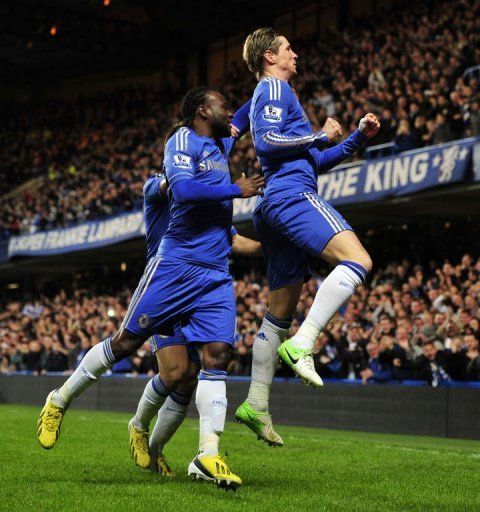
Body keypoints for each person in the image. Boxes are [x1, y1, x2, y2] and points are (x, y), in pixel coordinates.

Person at [37, 87, 264, 490]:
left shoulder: (219, 145)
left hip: (213, 274)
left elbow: (244, 116)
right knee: (125, 345)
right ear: (200, 111)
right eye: (220, 105)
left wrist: (266, 81)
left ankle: (209, 453)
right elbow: (183, 190)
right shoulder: (182, 141)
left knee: (216, 356)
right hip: (174, 268)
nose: (228, 111)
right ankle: (59, 399)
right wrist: (237, 190)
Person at [235, 27, 380, 445]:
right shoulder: (276, 90)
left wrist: (355, 138)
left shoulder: (276, 94)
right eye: (288, 49)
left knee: (278, 313)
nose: (295, 54)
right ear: (269, 57)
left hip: (274, 204)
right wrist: (319, 134)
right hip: (290, 196)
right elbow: (268, 140)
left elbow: (314, 158)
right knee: (359, 261)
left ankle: (256, 404)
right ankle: (305, 343)